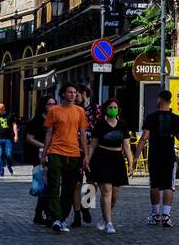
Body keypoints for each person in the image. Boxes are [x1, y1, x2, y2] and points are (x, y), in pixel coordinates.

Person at [41, 84, 88, 233]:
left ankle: (61, 218)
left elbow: (82, 134)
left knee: (69, 188)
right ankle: (56, 217)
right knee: (54, 186)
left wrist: (86, 155)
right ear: (63, 94)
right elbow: (49, 133)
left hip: (74, 153)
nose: (73, 95)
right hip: (56, 151)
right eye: (70, 92)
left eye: (75, 92)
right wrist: (44, 153)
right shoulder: (54, 111)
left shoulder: (80, 111)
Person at [136, 90, 179, 227]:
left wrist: (135, 158)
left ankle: (155, 215)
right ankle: (166, 216)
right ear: (170, 101)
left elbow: (144, 138)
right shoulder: (175, 118)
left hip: (154, 155)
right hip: (169, 155)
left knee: (155, 185)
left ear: (159, 99)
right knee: (169, 185)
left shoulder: (151, 118)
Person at [86, 99, 132, 234]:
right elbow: (92, 145)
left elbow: (127, 145)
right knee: (106, 191)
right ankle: (109, 223)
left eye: (115, 107)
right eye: (110, 107)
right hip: (102, 159)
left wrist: (130, 163)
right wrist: (87, 160)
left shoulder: (123, 125)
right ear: (106, 109)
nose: (113, 109)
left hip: (117, 159)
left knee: (115, 194)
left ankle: (105, 217)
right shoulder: (100, 125)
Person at [25, 97, 56, 225]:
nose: (52, 106)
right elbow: (29, 138)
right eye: (50, 104)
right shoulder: (37, 121)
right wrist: (43, 146)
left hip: (53, 154)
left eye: (54, 104)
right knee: (44, 185)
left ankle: (39, 213)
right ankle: (47, 214)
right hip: (39, 155)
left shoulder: (56, 120)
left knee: (49, 186)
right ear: (44, 105)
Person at [0, 103, 17, 176]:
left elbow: (14, 125)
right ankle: (1, 171)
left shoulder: (9, 116)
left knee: (9, 155)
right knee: (0, 156)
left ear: (3, 109)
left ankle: (9, 165)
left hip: (8, 139)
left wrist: (16, 135)